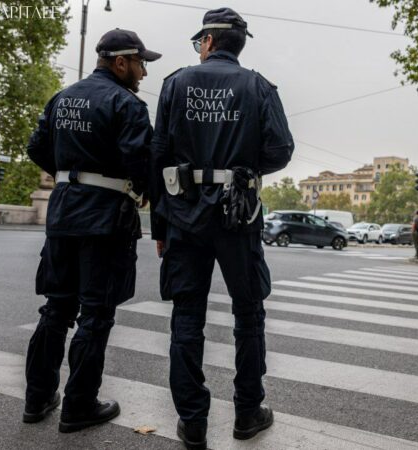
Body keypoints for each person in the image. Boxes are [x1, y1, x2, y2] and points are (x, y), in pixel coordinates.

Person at [149, 8, 293, 449]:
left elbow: (158, 154)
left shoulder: (175, 84)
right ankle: (247, 412)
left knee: (187, 314)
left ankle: (193, 421)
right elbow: (281, 149)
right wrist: (244, 169)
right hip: (238, 212)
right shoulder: (258, 86)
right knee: (247, 313)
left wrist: (158, 223)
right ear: (238, 44)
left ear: (208, 41)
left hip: (183, 212)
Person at [23, 29, 161, 433]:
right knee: (95, 314)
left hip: (63, 213)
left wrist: (69, 176)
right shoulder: (127, 104)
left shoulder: (62, 97)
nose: (143, 73)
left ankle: (37, 397)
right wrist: (143, 193)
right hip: (105, 218)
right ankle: (79, 404)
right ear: (121, 62)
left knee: (56, 308)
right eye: (141, 64)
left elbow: (36, 147)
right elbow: (140, 161)